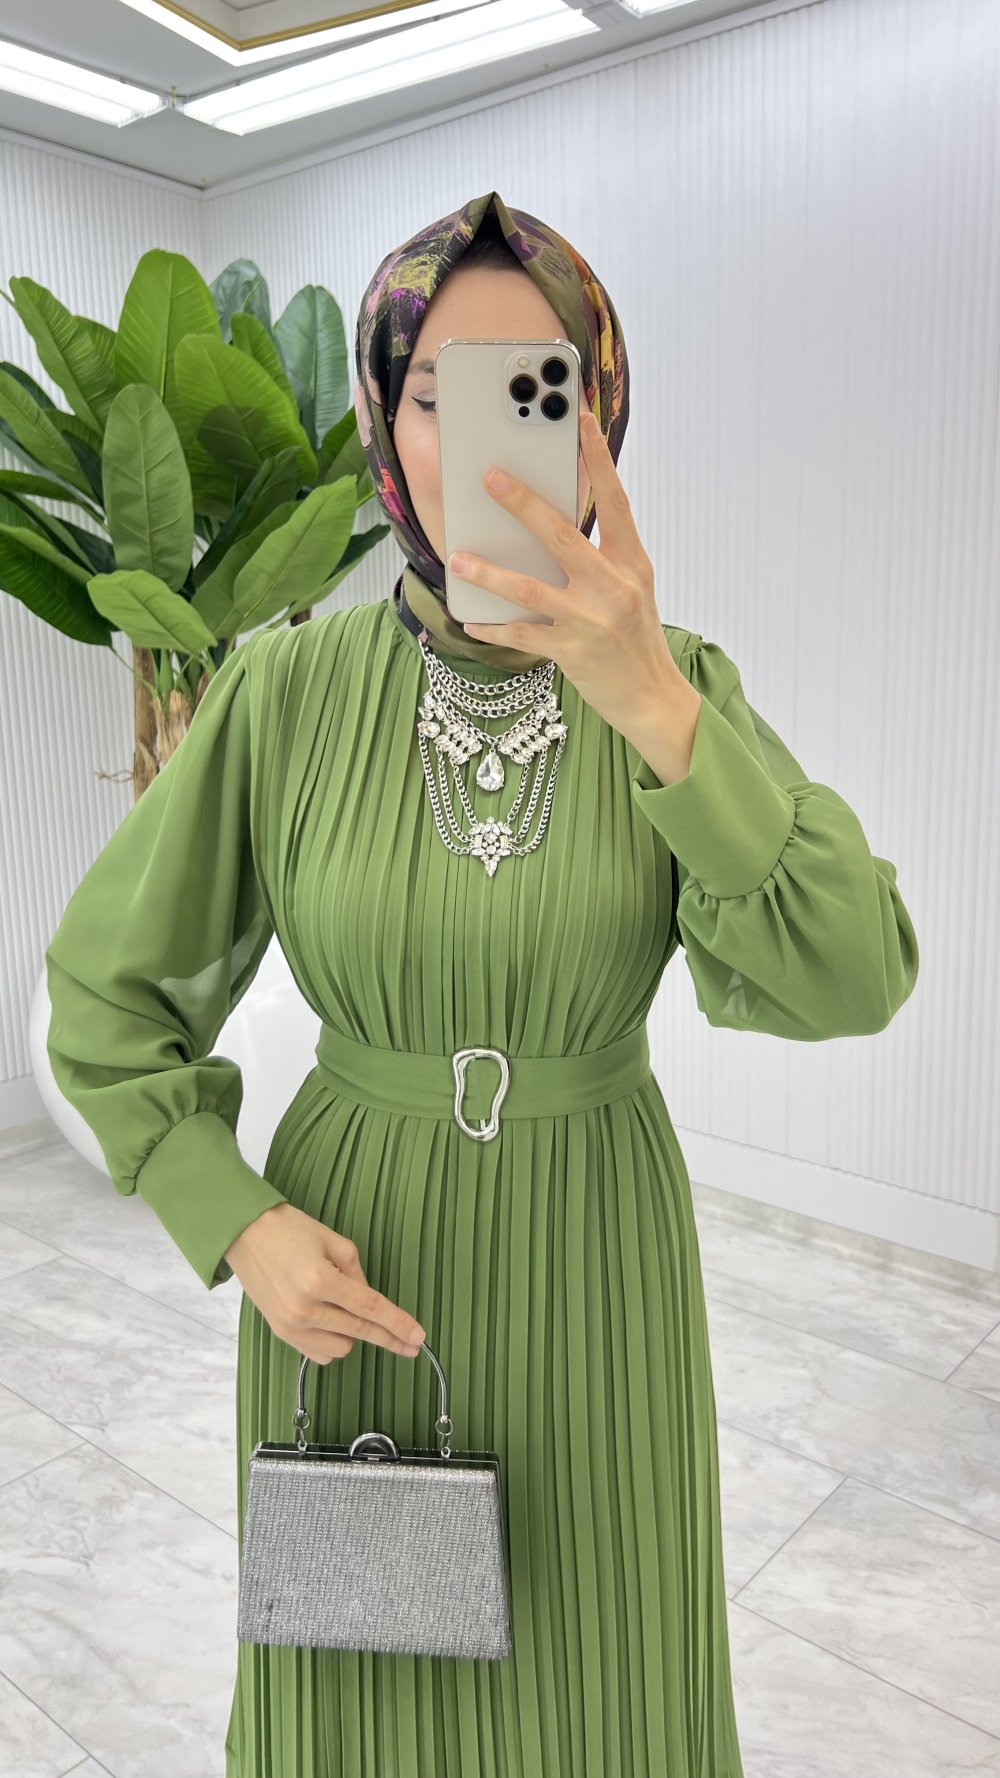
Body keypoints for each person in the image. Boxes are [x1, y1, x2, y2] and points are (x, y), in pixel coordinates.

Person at [44, 189, 920, 1778]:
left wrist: (656, 709)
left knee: (610, 1685)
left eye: (533, 388)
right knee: (357, 1699)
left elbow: (853, 973)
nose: (482, 446)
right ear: (387, 427)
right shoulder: (285, 688)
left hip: (602, 1258)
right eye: (435, 394)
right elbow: (105, 992)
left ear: (598, 426)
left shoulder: (680, 688)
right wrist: (229, 1215)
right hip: (351, 1271)